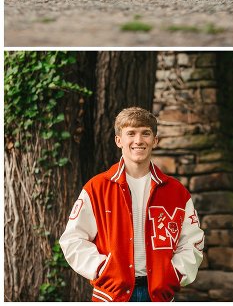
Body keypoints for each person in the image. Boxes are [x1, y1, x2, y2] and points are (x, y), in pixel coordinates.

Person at [60, 107, 204, 302]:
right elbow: (73, 239)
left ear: (155, 140)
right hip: (112, 295)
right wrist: (102, 269)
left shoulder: (176, 192)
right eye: (131, 133)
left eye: (145, 133)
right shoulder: (97, 188)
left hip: (158, 296)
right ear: (119, 140)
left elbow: (192, 241)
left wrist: (175, 274)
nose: (138, 140)